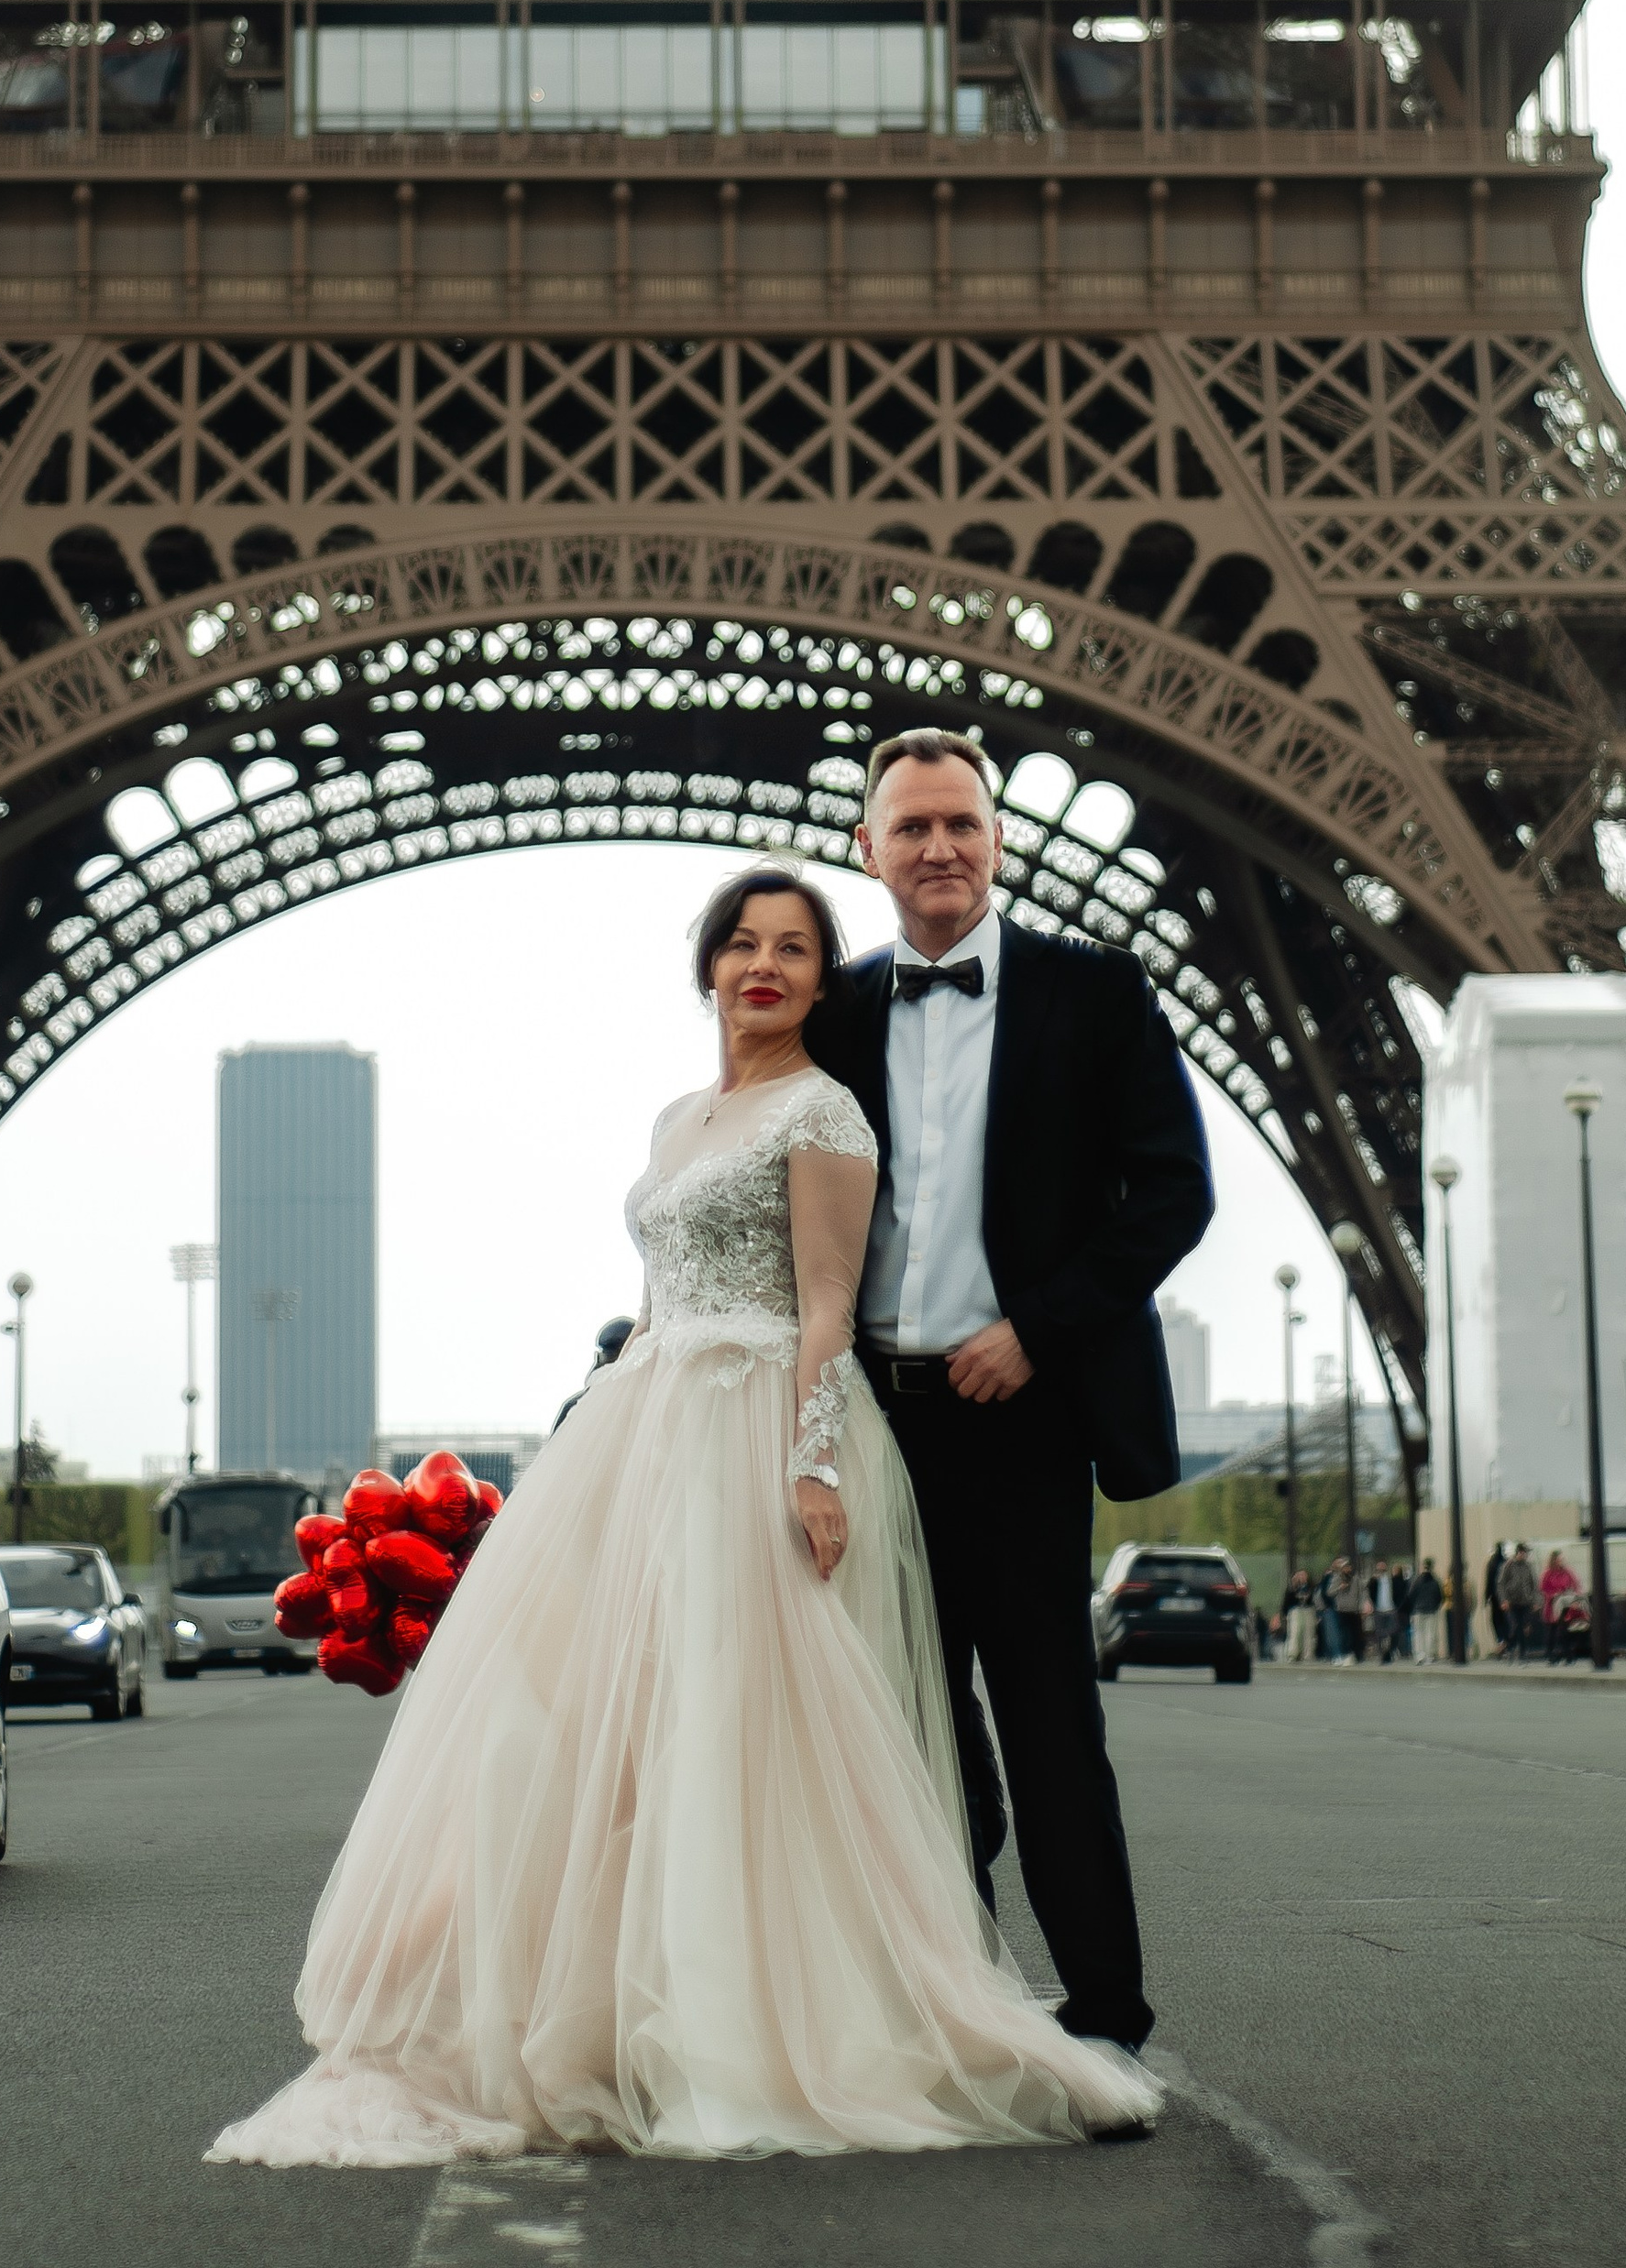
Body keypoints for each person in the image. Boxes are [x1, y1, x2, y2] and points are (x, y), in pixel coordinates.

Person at [209, 860, 1162, 2167]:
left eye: (793, 947)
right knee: (626, 1728)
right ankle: (629, 2000)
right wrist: (583, 1441)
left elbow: (827, 1301)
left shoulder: (827, 1110)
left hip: (759, 1426)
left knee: (745, 1728)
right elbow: (654, 1299)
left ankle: (754, 2014)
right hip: (654, 1425)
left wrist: (813, 1463)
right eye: (743, 942)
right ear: (708, 964)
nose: (764, 964)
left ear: (825, 980)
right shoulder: (678, 1118)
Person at [810, 729, 1214, 2058]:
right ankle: (958, 1986)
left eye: (961, 823)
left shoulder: (1096, 993)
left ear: (1000, 839)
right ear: (867, 846)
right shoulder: (836, 1014)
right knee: (912, 1721)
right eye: (912, 825)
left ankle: (1105, 2005)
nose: (938, 846)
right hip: (876, 1420)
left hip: (1021, 1411)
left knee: (1049, 1715)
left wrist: (1035, 1329)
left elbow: (1174, 1191)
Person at [1538, 1549, 1580, 1667]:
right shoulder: (1548, 1573)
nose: (1561, 1561)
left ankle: (1567, 1655)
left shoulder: (1567, 1572)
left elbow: (1575, 1585)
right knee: (1551, 1632)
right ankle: (1551, 1655)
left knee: (1564, 1632)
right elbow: (1543, 1589)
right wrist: (1553, 1595)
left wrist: (1575, 1598)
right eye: (1559, 1559)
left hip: (1565, 1605)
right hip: (1552, 1605)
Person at [1500, 1543, 1540, 1661]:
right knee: (1514, 1625)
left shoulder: (1528, 1567)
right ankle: (1510, 1647)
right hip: (1512, 1601)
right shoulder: (1508, 1566)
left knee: (1524, 1626)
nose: (1524, 1555)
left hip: (1526, 1601)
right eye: (1522, 1553)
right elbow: (1501, 1584)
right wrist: (1504, 1600)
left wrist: (1535, 1600)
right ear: (1518, 1553)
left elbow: (1534, 1584)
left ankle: (1522, 1651)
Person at [1407, 1558, 1445, 1666]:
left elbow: (1411, 1595)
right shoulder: (1435, 1581)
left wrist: (1414, 1606)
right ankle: (1429, 1656)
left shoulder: (1417, 1580)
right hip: (1431, 1610)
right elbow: (1440, 1596)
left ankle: (1420, 1656)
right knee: (1430, 1634)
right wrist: (1436, 1605)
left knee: (1418, 1634)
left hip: (1418, 1611)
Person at [1280, 1568, 1320, 1663]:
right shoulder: (1292, 1588)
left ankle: (1308, 1654)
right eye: (1300, 1575)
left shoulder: (1312, 1587)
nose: (1302, 1577)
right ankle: (1292, 1654)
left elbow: (1314, 1600)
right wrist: (1284, 1613)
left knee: (1308, 1632)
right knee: (1294, 1631)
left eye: (1304, 1575)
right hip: (1295, 1610)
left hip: (1308, 1610)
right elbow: (1287, 1602)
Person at [1482, 1539, 1509, 1658]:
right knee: (1505, 1621)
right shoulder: (1506, 1562)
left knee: (1495, 1621)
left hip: (1494, 1597)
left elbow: (1488, 1581)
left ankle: (1500, 1642)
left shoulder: (1491, 1563)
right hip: (1505, 1598)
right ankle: (1505, 1643)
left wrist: (1486, 1597)